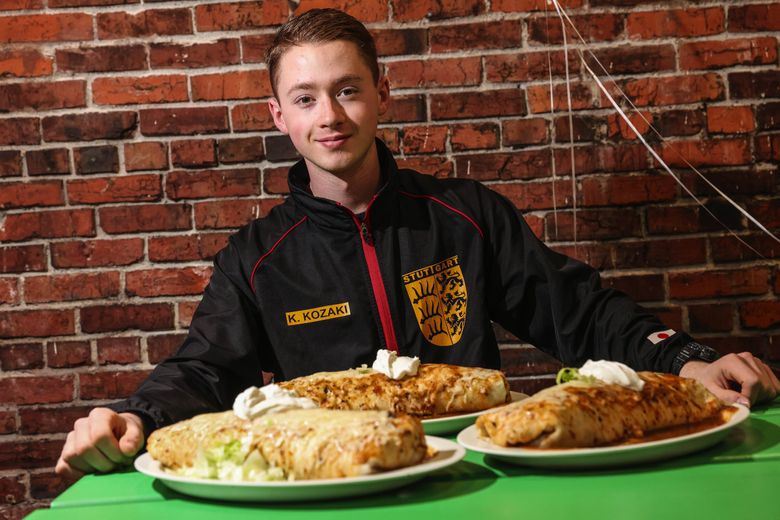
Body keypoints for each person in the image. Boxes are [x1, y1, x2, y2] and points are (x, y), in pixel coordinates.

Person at [55, 8, 779, 479]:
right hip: (337, 484)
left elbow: (579, 312)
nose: (330, 116)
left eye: (348, 90)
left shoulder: (465, 216)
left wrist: (684, 359)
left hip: (472, 477)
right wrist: (134, 418)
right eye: (306, 98)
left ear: (382, 93)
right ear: (279, 116)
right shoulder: (257, 257)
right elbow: (205, 369)